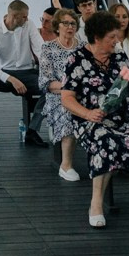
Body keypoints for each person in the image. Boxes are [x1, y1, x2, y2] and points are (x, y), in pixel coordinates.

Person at [62, 11, 129, 229]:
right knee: (104, 142)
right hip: (91, 120)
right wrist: (87, 113)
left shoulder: (119, 58)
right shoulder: (76, 60)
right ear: (97, 38)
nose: (116, 41)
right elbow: (67, 99)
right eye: (111, 37)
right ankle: (96, 204)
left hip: (122, 117)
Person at [0, 0, 46, 150]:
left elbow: (40, 50)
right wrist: (11, 79)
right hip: (6, 75)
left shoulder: (29, 25)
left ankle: (32, 130)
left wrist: (48, 69)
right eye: (24, 17)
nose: (27, 19)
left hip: (28, 73)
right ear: (14, 16)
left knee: (51, 86)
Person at [37, 9, 85, 181]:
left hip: (82, 94)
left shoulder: (82, 48)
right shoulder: (48, 48)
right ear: (57, 26)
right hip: (57, 95)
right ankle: (65, 165)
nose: (69, 27)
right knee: (69, 113)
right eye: (65, 23)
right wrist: (69, 88)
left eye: (73, 23)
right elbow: (46, 82)